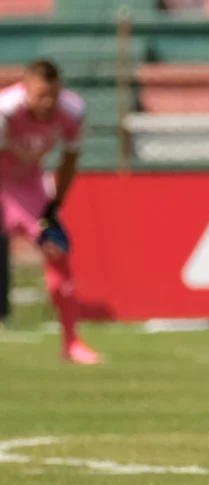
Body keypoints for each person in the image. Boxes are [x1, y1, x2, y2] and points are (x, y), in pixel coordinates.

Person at [0, 59, 98, 364]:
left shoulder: (73, 112)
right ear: (25, 88)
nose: (47, 102)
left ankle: (71, 343)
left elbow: (69, 160)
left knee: (57, 249)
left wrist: (54, 206)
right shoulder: (5, 111)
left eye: (52, 95)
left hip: (30, 185)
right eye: (40, 95)